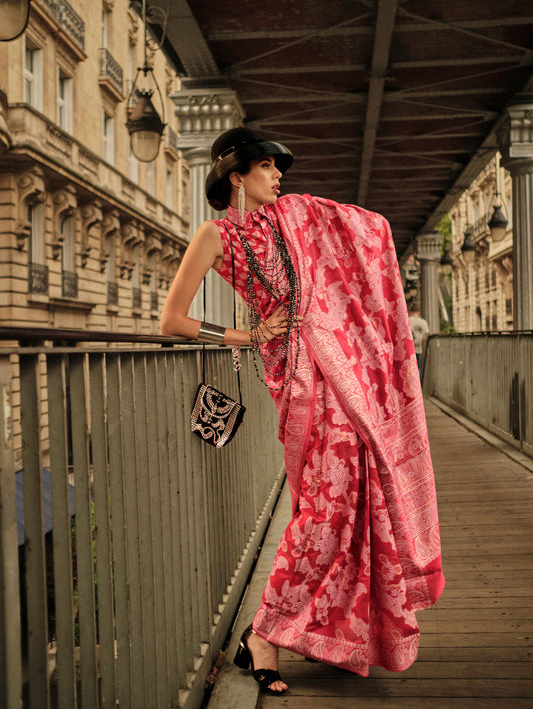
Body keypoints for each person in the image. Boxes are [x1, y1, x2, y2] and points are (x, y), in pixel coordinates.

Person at [161, 127, 444, 696]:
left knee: (353, 497)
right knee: (324, 507)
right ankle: (264, 633)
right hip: (294, 377)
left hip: (339, 372)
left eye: (277, 166)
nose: (277, 174)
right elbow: (172, 321)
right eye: (266, 166)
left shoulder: (299, 216)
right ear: (236, 176)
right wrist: (241, 335)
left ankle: (344, 632)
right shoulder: (215, 236)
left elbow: (372, 232)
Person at [408, 303, 430, 376]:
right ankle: (418, 386)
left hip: (409, 350)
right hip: (418, 349)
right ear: (418, 312)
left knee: (409, 369)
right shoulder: (423, 322)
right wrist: (422, 348)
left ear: (410, 312)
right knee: (418, 368)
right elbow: (424, 338)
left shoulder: (407, 321)